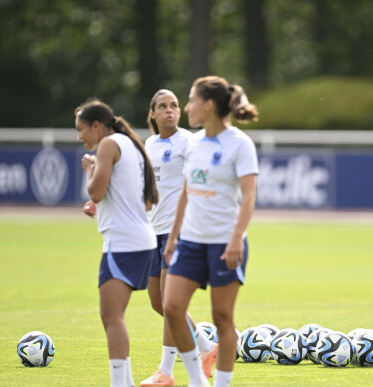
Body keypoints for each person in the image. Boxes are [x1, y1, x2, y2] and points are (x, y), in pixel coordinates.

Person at [162, 76, 259, 387]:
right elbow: (186, 193)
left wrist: (235, 239)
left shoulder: (240, 144)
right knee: (172, 307)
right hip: (190, 241)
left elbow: (249, 196)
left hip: (224, 244)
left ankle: (221, 384)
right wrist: (173, 237)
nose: (186, 107)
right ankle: (197, 381)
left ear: (208, 105)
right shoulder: (194, 144)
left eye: (190, 101)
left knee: (222, 318)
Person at [76, 99, 159, 387]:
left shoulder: (109, 145)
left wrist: (90, 167)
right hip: (140, 240)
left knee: (111, 317)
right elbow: (138, 197)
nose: (79, 136)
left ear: (96, 126)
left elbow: (96, 191)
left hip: (123, 243)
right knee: (114, 316)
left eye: (81, 129)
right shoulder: (129, 143)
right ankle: (124, 381)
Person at [140, 89, 217, 387]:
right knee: (159, 304)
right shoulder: (149, 144)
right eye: (163, 106)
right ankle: (208, 349)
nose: (170, 110)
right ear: (153, 113)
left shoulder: (190, 141)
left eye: (174, 105)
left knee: (172, 303)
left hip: (180, 232)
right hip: (153, 231)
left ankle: (166, 372)